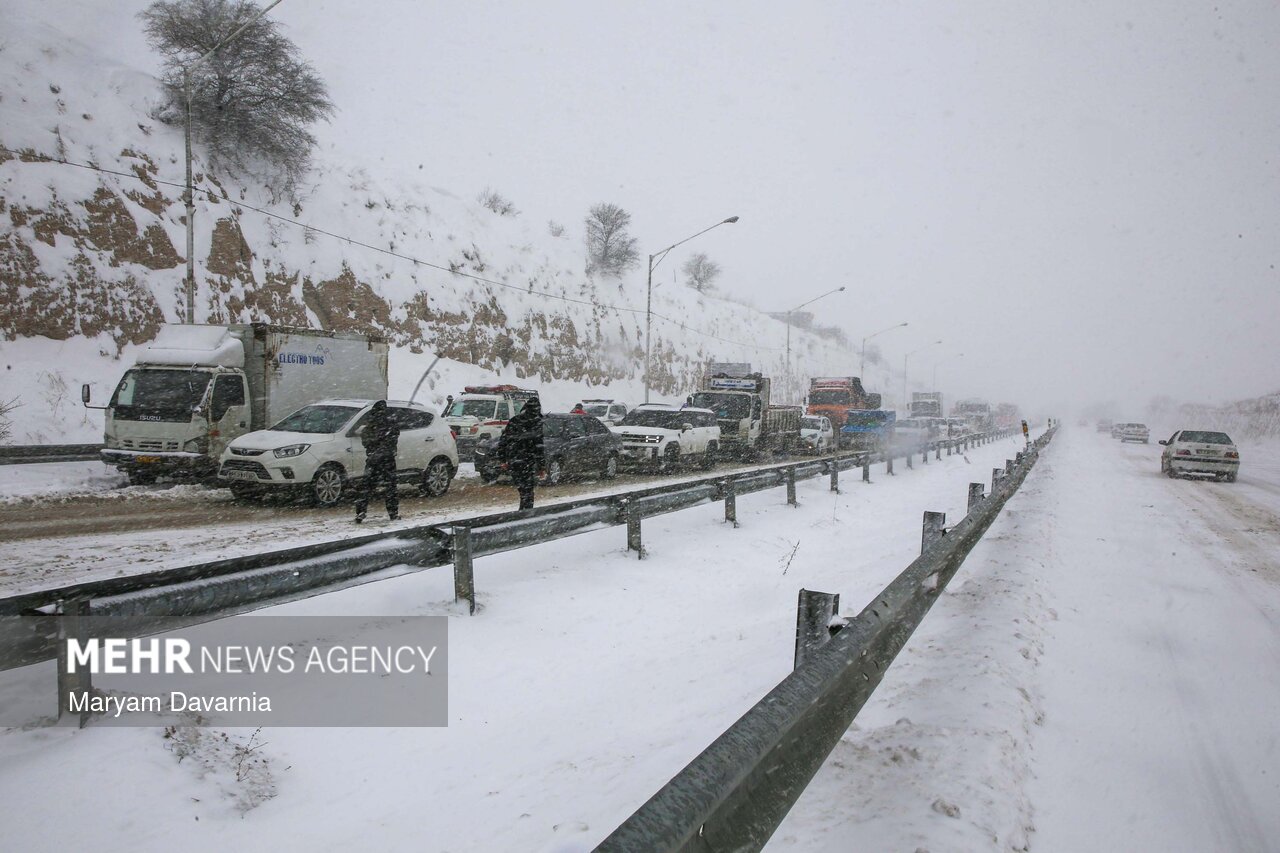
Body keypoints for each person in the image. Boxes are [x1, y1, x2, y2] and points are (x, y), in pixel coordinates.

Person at [496, 396, 545, 511]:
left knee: (523, 489)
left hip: (515, 459)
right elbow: (539, 446)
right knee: (528, 490)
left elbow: (503, 440)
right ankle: (525, 512)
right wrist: (541, 465)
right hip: (528, 460)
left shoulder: (515, 420)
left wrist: (502, 459)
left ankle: (523, 511)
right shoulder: (536, 422)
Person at [355, 400, 400, 523]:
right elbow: (395, 437)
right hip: (388, 459)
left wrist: (372, 448)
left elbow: (365, 440)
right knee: (390, 487)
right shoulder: (390, 423)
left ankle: (361, 511)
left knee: (366, 486)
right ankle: (393, 513)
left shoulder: (370, 423)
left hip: (373, 459)